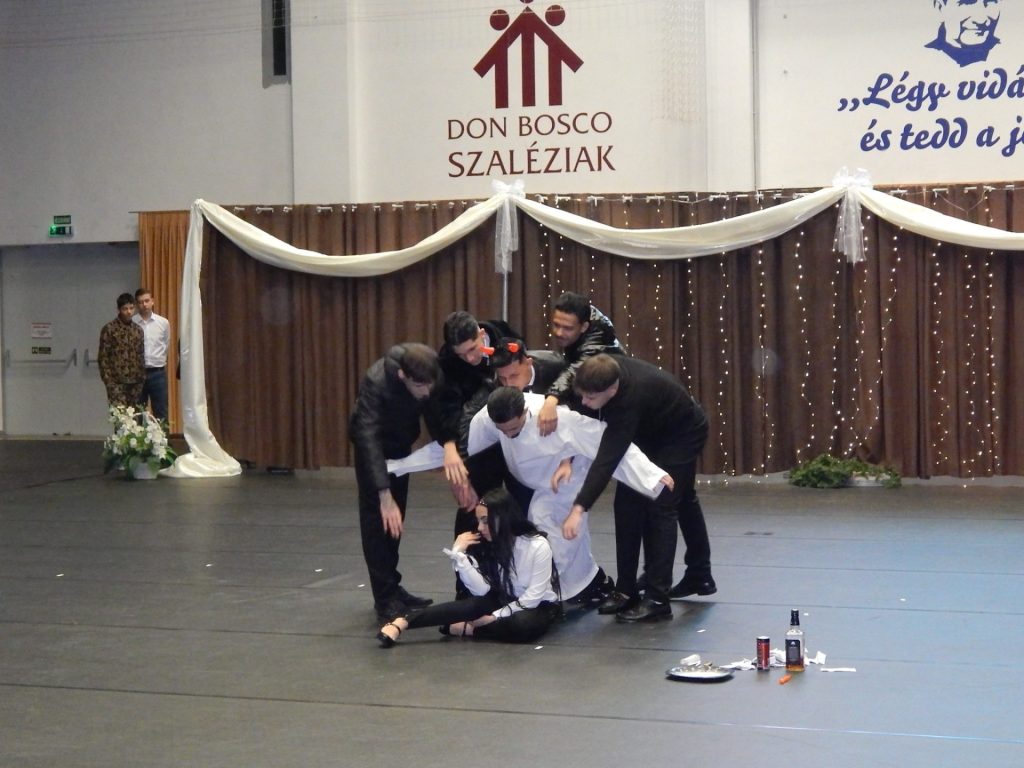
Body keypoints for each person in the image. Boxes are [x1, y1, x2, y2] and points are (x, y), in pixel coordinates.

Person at [387, 387, 673, 604]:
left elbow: (607, 441)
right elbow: (455, 448)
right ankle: (590, 583)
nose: (509, 434)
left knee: (548, 529)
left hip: (566, 478)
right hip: (535, 482)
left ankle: (547, 594)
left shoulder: (556, 417)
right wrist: (398, 466)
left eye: (514, 428)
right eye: (503, 431)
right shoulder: (488, 419)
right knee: (551, 531)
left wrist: (651, 474)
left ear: (525, 412)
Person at [563, 354, 713, 623]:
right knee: (627, 504)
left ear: (612, 390)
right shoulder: (597, 376)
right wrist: (566, 457)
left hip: (681, 433)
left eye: (591, 398)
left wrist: (579, 507)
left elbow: (606, 460)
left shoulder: (629, 400)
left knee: (662, 506)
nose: (584, 402)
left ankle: (657, 599)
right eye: (581, 395)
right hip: (647, 431)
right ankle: (627, 588)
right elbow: (580, 419)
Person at [376, 488, 561, 647]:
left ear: (503, 518)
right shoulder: (490, 543)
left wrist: (496, 616)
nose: (480, 527)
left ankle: (468, 629)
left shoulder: (538, 545)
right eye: (479, 521)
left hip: (537, 606)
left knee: (523, 625)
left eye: (485, 521)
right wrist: (459, 555)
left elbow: (533, 597)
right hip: (504, 598)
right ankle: (403, 622)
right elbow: (481, 591)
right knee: (470, 606)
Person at [349, 342, 442, 622]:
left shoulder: (427, 370)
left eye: (429, 385)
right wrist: (383, 493)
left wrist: (447, 447)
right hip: (373, 451)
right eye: (420, 387)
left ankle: (393, 587)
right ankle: (384, 599)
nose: (426, 392)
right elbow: (367, 437)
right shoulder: (376, 383)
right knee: (378, 525)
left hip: (400, 447)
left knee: (395, 524)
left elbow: (434, 411)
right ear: (403, 376)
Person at [537, 291, 623, 436]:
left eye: (567, 328)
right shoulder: (584, 314)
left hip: (612, 404)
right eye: (556, 325)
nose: (559, 332)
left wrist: (551, 399)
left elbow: (576, 370)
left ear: (584, 327)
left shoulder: (597, 340)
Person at [98, 292, 145, 408]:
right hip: (116, 383)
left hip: (135, 383)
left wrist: (142, 379)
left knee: (134, 416)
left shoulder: (138, 330)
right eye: (125, 309)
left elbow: (141, 356)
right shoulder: (110, 329)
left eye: (131, 308)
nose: (129, 312)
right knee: (119, 415)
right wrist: (109, 381)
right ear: (119, 309)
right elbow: (103, 357)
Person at [132, 288, 171, 422]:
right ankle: (138, 436)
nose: (144, 304)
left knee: (161, 412)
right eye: (140, 302)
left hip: (157, 373)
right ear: (137, 305)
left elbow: (165, 344)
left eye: (147, 301)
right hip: (137, 373)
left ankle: (162, 437)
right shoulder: (132, 323)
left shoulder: (163, 323)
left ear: (152, 301)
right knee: (137, 413)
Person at [926, 0, 1002, 66]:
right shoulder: (925, 57)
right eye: (966, 2)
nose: (981, 20)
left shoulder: (1003, 52)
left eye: (991, 1)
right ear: (940, 8)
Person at [489, 337, 567, 395]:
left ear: (529, 363)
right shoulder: (493, 383)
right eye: (502, 378)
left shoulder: (557, 368)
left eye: (514, 376)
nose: (508, 384)